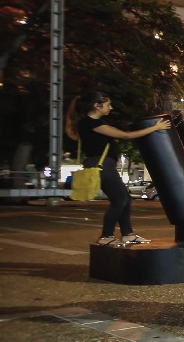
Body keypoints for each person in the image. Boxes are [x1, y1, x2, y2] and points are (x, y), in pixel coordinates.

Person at [65, 91, 171, 247]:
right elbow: (126, 135)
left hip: (100, 164)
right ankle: (106, 236)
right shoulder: (92, 124)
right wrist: (156, 128)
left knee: (124, 198)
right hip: (102, 165)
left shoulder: (89, 123)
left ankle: (127, 234)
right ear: (97, 105)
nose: (111, 107)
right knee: (120, 200)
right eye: (108, 104)